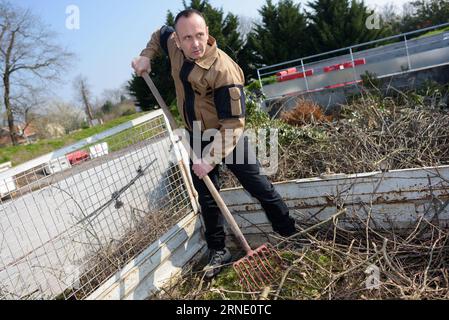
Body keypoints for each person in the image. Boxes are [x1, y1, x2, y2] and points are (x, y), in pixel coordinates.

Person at [132, 9, 296, 279]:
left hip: (226, 133)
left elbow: (234, 124)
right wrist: (145, 57)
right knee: (207, 196)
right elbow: (157, 35)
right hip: (195, 133)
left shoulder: (224, 70)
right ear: (178, 39)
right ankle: (219, 250)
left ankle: (290, 233)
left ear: (207, 33)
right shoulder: (172, 44)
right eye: (187, 38)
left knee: (258, 185)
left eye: (200, 35)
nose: (195, 44)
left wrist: (209, 159)